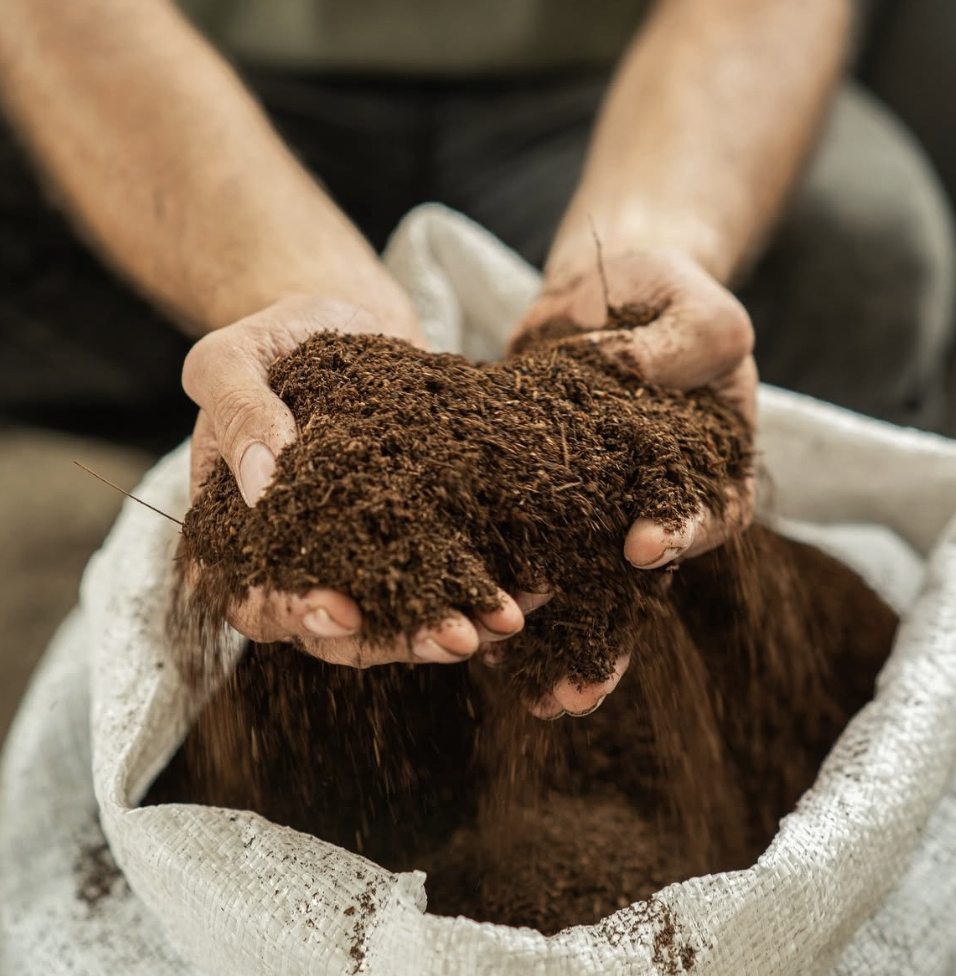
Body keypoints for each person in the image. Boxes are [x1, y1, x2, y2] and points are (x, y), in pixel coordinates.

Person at [0, 0, 952, 718]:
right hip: (197, 64)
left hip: (599, 81)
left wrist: (641, 251)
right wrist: (285, 283)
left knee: (861, 258)